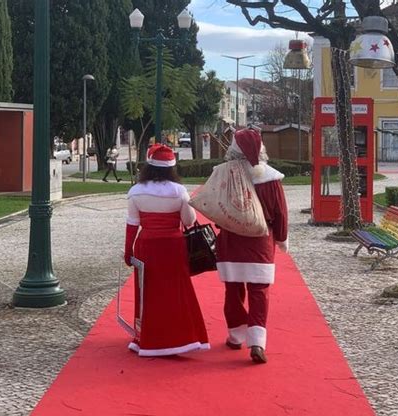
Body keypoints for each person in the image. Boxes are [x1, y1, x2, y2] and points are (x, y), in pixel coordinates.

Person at [123, 144, 209, 356]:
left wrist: (129, 251)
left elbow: (132, 224)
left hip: (147, 245)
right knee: (175, 291)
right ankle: (178, 336)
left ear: (148, 165)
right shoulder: (179, 191)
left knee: (147, 292)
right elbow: (189, 220)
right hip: (173, 245)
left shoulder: (136, 192)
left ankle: (146, 336)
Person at [216, 128, 288, 364]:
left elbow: (216, 206)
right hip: (260, 242)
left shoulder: (222, 174)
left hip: (232, 240)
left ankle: (236, 336)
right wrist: (281, 237)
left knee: (233, 290)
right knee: (259, 292)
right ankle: (257, 341)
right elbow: (280, 212)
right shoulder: (270, 177)